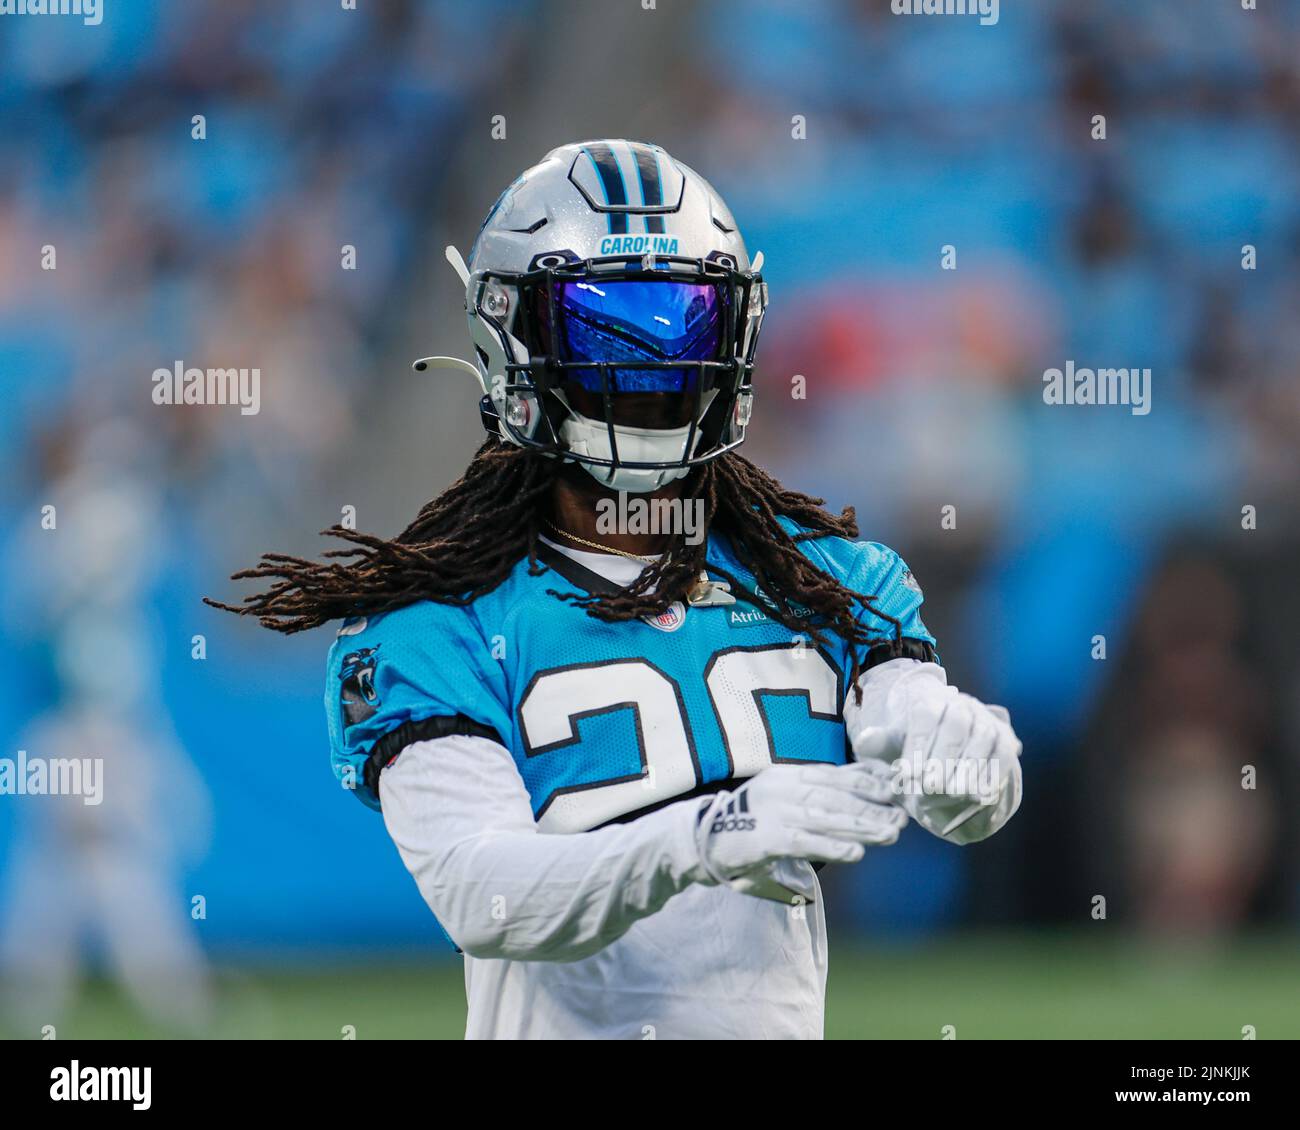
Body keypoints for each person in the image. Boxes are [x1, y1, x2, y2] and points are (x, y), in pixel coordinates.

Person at [211, 140, 1023, 1039]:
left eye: (685, 324)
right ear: (516, 341)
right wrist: (705, 836)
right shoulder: (438, 629)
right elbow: (486, 895)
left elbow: (960, 797)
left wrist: (963, 755)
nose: (650, 369)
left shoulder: (825, 579)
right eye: (604, 328)